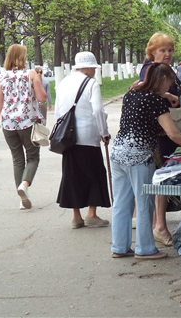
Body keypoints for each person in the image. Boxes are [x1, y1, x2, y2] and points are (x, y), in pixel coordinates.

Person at [110, 62, 181, 259]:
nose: (169, 87)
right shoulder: (156, 102)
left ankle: (119, 247)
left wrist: (166, 97)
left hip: (117, 153)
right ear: (163, 80)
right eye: (169, 83)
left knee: (121, 203)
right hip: (139, 157)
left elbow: (138, 122)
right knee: (144, 203)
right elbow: (173, 133)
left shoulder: (131, 93)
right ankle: (145, 249)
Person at [132, 32, 181, 245]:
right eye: (162, 50)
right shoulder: (151, 69)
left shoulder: (160, 69)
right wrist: (169, 95)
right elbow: (141, 88)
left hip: (165, 129)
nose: (167, 54)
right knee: (163, 177)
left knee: (163, 176)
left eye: (169, 50)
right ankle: (160, 226)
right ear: (152, 52)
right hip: (162, 131)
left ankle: (158, 224)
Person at [54, 52, 111, 229]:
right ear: (86, 68)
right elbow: (98, 111)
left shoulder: (63, 82)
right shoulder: (91, 83)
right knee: (94, 174)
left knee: (72, 175)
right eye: (93, 68)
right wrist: (104, 132)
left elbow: (58, 111)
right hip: (88, 136)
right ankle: (92, 214)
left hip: (68, 138)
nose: (94, 71)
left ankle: (76, 217)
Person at [0, 44, 47, 210]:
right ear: (22, 57)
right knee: (33, 157)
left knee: (17, 159)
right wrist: (38, 82)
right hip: (27, 122)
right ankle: (25, 186)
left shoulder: (2, 77)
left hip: (8, 124)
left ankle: (22, 200)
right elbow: (42, 98)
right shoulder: (31, 74)